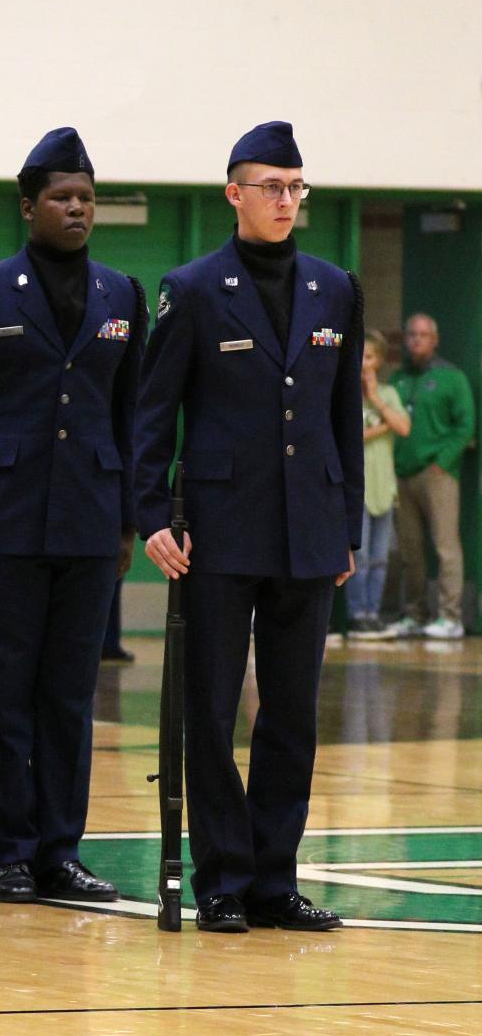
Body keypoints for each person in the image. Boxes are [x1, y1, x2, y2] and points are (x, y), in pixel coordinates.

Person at [134, 121, 361, 933]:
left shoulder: (334, 287)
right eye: (270, 186)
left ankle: (274, 879)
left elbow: (340, 415)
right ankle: (221, 878)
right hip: (218, 535)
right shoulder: (193, 288)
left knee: (292, 714)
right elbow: (152, 411)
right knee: (212, 708)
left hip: (307, 533)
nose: (285, 201)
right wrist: (149, 511)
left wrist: (347, 529)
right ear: (234, 193)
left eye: (296, 187)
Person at [0, 128, 142, 904]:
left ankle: (60, 848)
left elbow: (131, 416)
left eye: (86, 198)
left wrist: (129, 516)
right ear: (28, 207)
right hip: (5, 519)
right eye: (61, 197)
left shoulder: (121, 294)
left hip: (90, 520)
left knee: (67, 696)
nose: (76, 209)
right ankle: (7, 853)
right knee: (5, 692)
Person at [390, 313, 472, 638]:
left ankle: (450, 618)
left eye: (423, 335)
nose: (417, 340)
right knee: (410, 550)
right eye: (411, 334)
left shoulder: (452, 378)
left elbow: (465, 425)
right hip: (403, 474)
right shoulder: (398, 378)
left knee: (445, 546)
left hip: (437, 473)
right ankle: (415, 614)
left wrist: (443, 462)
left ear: (435, 340)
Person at [347, 332, 410, 637]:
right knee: (358, 556)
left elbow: (404, 427)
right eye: (360, 356)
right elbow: (350, 438)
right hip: (358, 489)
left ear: (381, 361)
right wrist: (384, 427)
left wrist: (374, 399)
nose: (364, 364)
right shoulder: (344, 393)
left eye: (370, 357)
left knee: (381, 557)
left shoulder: (387, 392)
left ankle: (373, 613)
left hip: (385, 486)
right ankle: (357, 614)